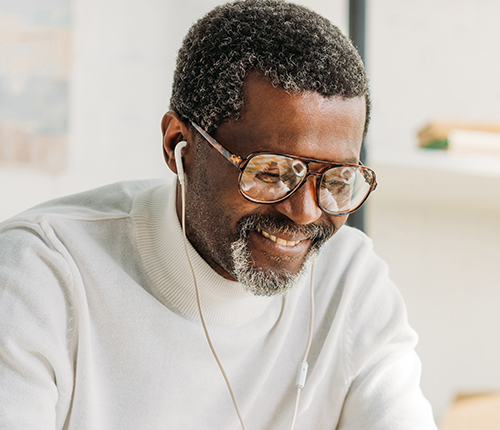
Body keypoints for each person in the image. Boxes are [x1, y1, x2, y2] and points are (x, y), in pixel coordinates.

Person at [0, 1, 437, 428]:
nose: (305, 214)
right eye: (271, 171)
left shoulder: (350, 281)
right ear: (178, 146)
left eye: (337, 179)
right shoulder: (39, 274)